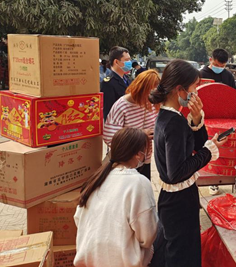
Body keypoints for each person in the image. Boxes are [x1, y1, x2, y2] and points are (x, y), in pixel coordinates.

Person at [149, 59, 226, 267]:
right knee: (181, 256)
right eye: (195, 88)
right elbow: (177, 172)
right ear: (180, 89)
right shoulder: (173, 122)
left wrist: (196, 118)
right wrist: (208, 151)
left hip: (176, 199)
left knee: (177, 250)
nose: (197, 94)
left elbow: (197, 143)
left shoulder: (170, 116)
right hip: (178, 202)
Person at [74, 127, 158, 267]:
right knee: (161, 231)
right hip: (122, 262)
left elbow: (78, 219)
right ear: (138, 154)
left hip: (88, 259)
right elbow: (147, 238)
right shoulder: (139, 183)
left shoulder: (96, 179)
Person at [103, 70, 160, 180]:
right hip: (125, 161)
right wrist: (140, 134)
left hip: (144, 158)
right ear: (139, 89)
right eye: (148, 93)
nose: (149, 99)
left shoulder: (152, 103)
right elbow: (109, 137)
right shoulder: (122, 105)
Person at [200, 48, 236, 195]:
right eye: (217, 65)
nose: (220, 69)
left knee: (223, 147)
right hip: (206, 118)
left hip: (224, 118)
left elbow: (234, 94)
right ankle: (210, 178)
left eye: (223, 66)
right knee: (207, 145)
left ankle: (220, 176)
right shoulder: (201, 75)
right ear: (211, 60)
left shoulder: (227, 75)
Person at [101, 46, 133, 120]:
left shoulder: (128, 79)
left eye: (129, 60)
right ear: (116, 62)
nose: (129, 63)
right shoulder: (108, 83)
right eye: (126, 60)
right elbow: (108, 111)